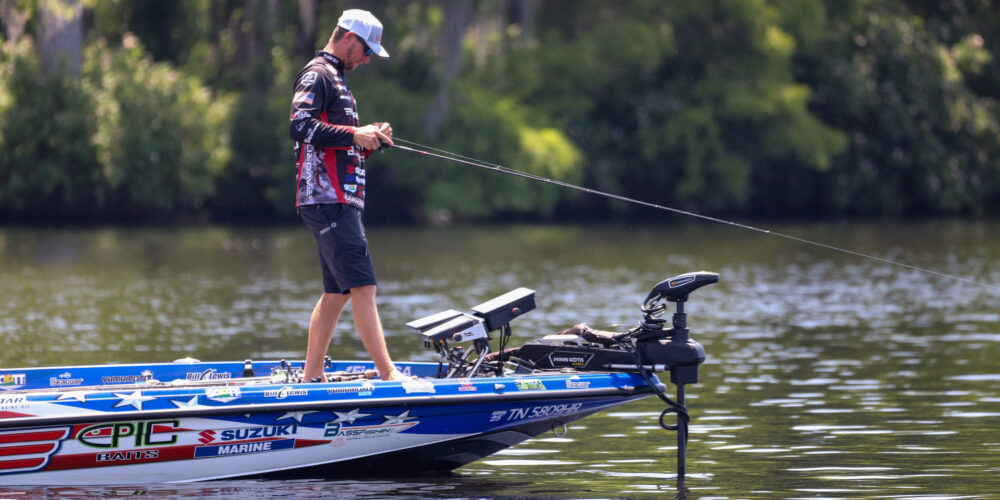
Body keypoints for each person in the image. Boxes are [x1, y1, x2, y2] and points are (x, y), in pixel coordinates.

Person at [289, 9, 407, 382]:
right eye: (367, 49)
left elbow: (336, 145)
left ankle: (311, 377)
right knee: (363, 285)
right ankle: (389, 374)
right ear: (350, 39)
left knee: (338, 292)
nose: (368, 58)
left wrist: (369, 138)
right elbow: (299, 125)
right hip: (327, 199)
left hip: (338, 198)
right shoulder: (317, 74)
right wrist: (355, 133)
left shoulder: (338, 80)